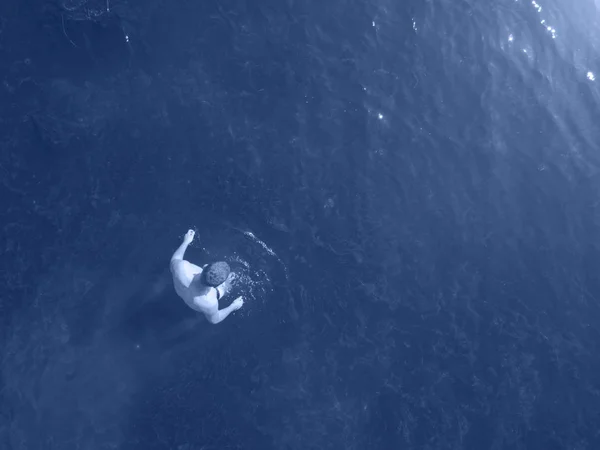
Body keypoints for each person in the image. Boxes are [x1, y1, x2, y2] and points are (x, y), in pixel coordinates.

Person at [170, 229, 244, 324]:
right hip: (198, 303)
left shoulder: (182, 268)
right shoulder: (210, 303)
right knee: (222, 290)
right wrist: (233, 306)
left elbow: (175, 259)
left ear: (205, 266)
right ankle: (225, 287)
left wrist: (186, 242)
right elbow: (214, 320)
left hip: (179, 288)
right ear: (217, 285)